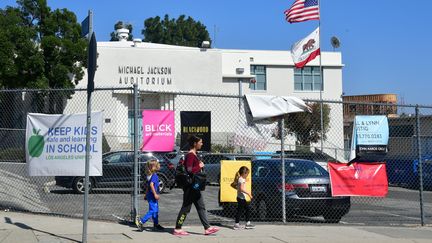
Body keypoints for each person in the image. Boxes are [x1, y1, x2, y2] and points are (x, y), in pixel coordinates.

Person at [173, 135, 220, 236]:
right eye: (200, 142)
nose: (202, 144)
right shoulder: (190, 155)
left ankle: (207, 228)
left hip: (195, 186)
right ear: (195, 143)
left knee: (201, 206)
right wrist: (199, 166)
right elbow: (189, 170)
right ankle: (177, 228)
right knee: (186, 208)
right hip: (191, 186)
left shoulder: (195, 154)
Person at [135, 159, 165, 231]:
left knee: (155, 210)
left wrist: (146, 194)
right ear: (152, 167)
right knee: (153, 210)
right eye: (157, 165)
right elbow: (151, 185)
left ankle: (156, 224)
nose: (158, 166)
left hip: (150, 194)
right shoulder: (154, 175)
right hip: (152, 195)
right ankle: (141, 222)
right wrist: (155, 194)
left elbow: (148, 186)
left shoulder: (150, 175)